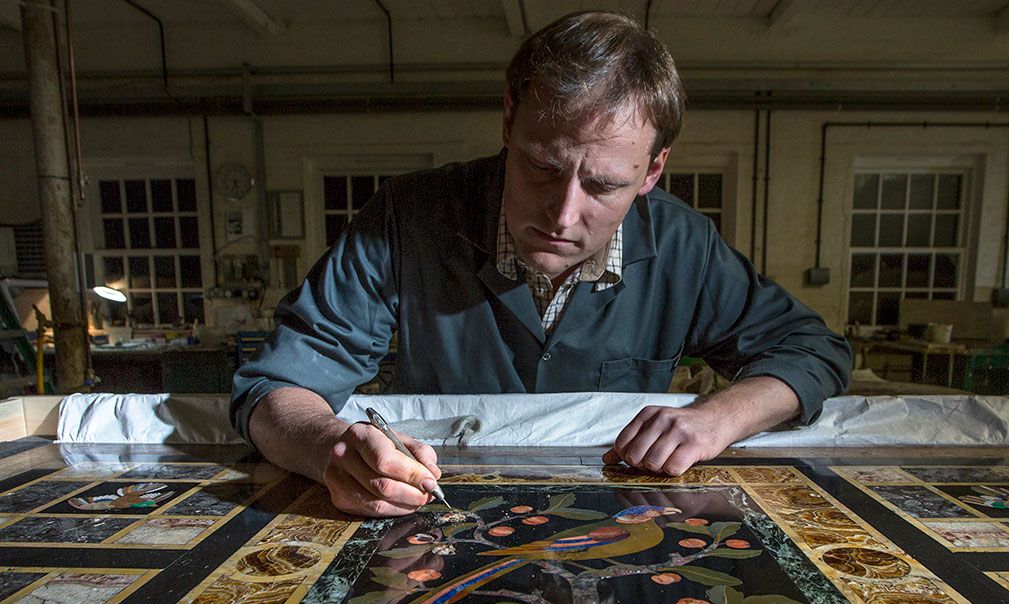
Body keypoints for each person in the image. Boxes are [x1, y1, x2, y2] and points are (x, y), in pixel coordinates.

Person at [231, 11, 852, 517]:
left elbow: (815, 351)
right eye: (543, 168)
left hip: (615, 538)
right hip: (445, 529)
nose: (562, 214)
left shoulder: (684, 245)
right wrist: (331, 449)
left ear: (652, 171)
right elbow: (272, 390)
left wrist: (719, 417)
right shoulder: (407, 218)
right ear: (508, 121)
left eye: (605, 184)